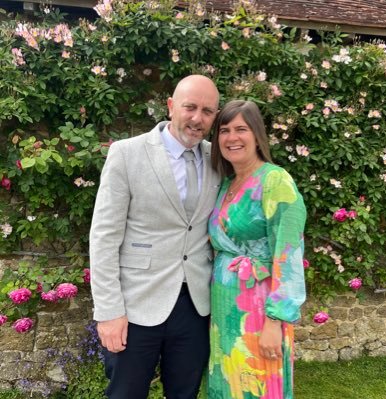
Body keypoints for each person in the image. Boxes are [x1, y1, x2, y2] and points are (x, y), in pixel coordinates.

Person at [89, 75, 220, 399]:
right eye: (190, 107)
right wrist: (108, 312)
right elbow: (104, 237)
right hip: (135, 306)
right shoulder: (127, 154)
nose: (197, 118)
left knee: (184, 394)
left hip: (195, 307)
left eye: (207, 111)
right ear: (171, 106)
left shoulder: (218, 159)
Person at [208, 100, 306, 399]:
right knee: (227, 385)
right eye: (224, 130)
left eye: (241, 129)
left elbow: (288, 256)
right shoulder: (227, 183)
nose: (231, 137)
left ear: (257, 135)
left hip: (260, 310)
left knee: (257, 386)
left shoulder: (275, 180)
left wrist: (275, 322)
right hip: (224, 309)